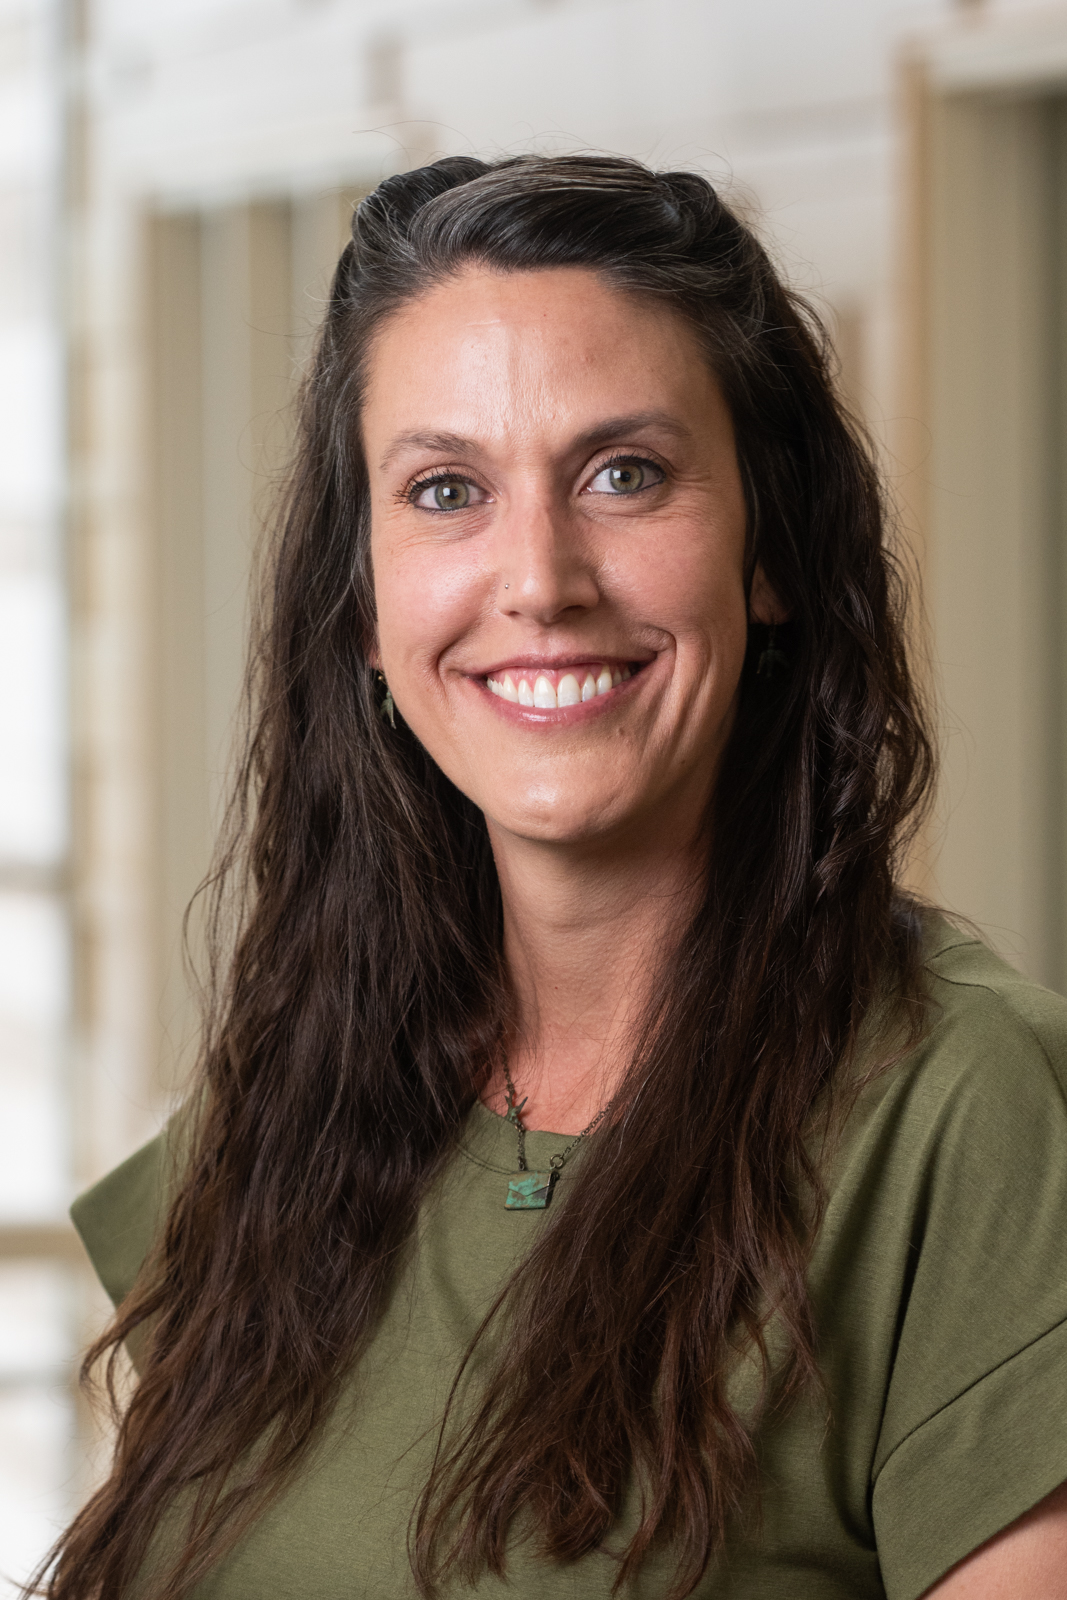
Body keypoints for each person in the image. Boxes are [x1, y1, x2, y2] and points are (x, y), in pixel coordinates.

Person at [37, 155, 1067, 1600]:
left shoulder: (970, 1110)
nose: (540, 576)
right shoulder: (293, 1098)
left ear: (766, 550)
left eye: (623, 474)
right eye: (446, 488)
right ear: (364, 599)